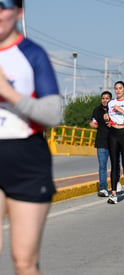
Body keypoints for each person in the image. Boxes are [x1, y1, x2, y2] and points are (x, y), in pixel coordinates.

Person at [0, 1, 62, 273]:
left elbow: (53, 114)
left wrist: (8, 92)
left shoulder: (32, 54)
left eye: (3, 5)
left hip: (26, 161)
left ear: (19, 11)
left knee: (23, 262)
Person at [89, 91, 115, 197]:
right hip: (101, 142)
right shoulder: (97, 110)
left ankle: (115, 186)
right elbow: (92, 121)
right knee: (102, 166)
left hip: (114, 142)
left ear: (110, 99)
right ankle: (103, 188)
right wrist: (92, 124)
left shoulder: (115, 110)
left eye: (107, 98)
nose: (105, 100)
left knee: (115, 166)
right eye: (103, 98)